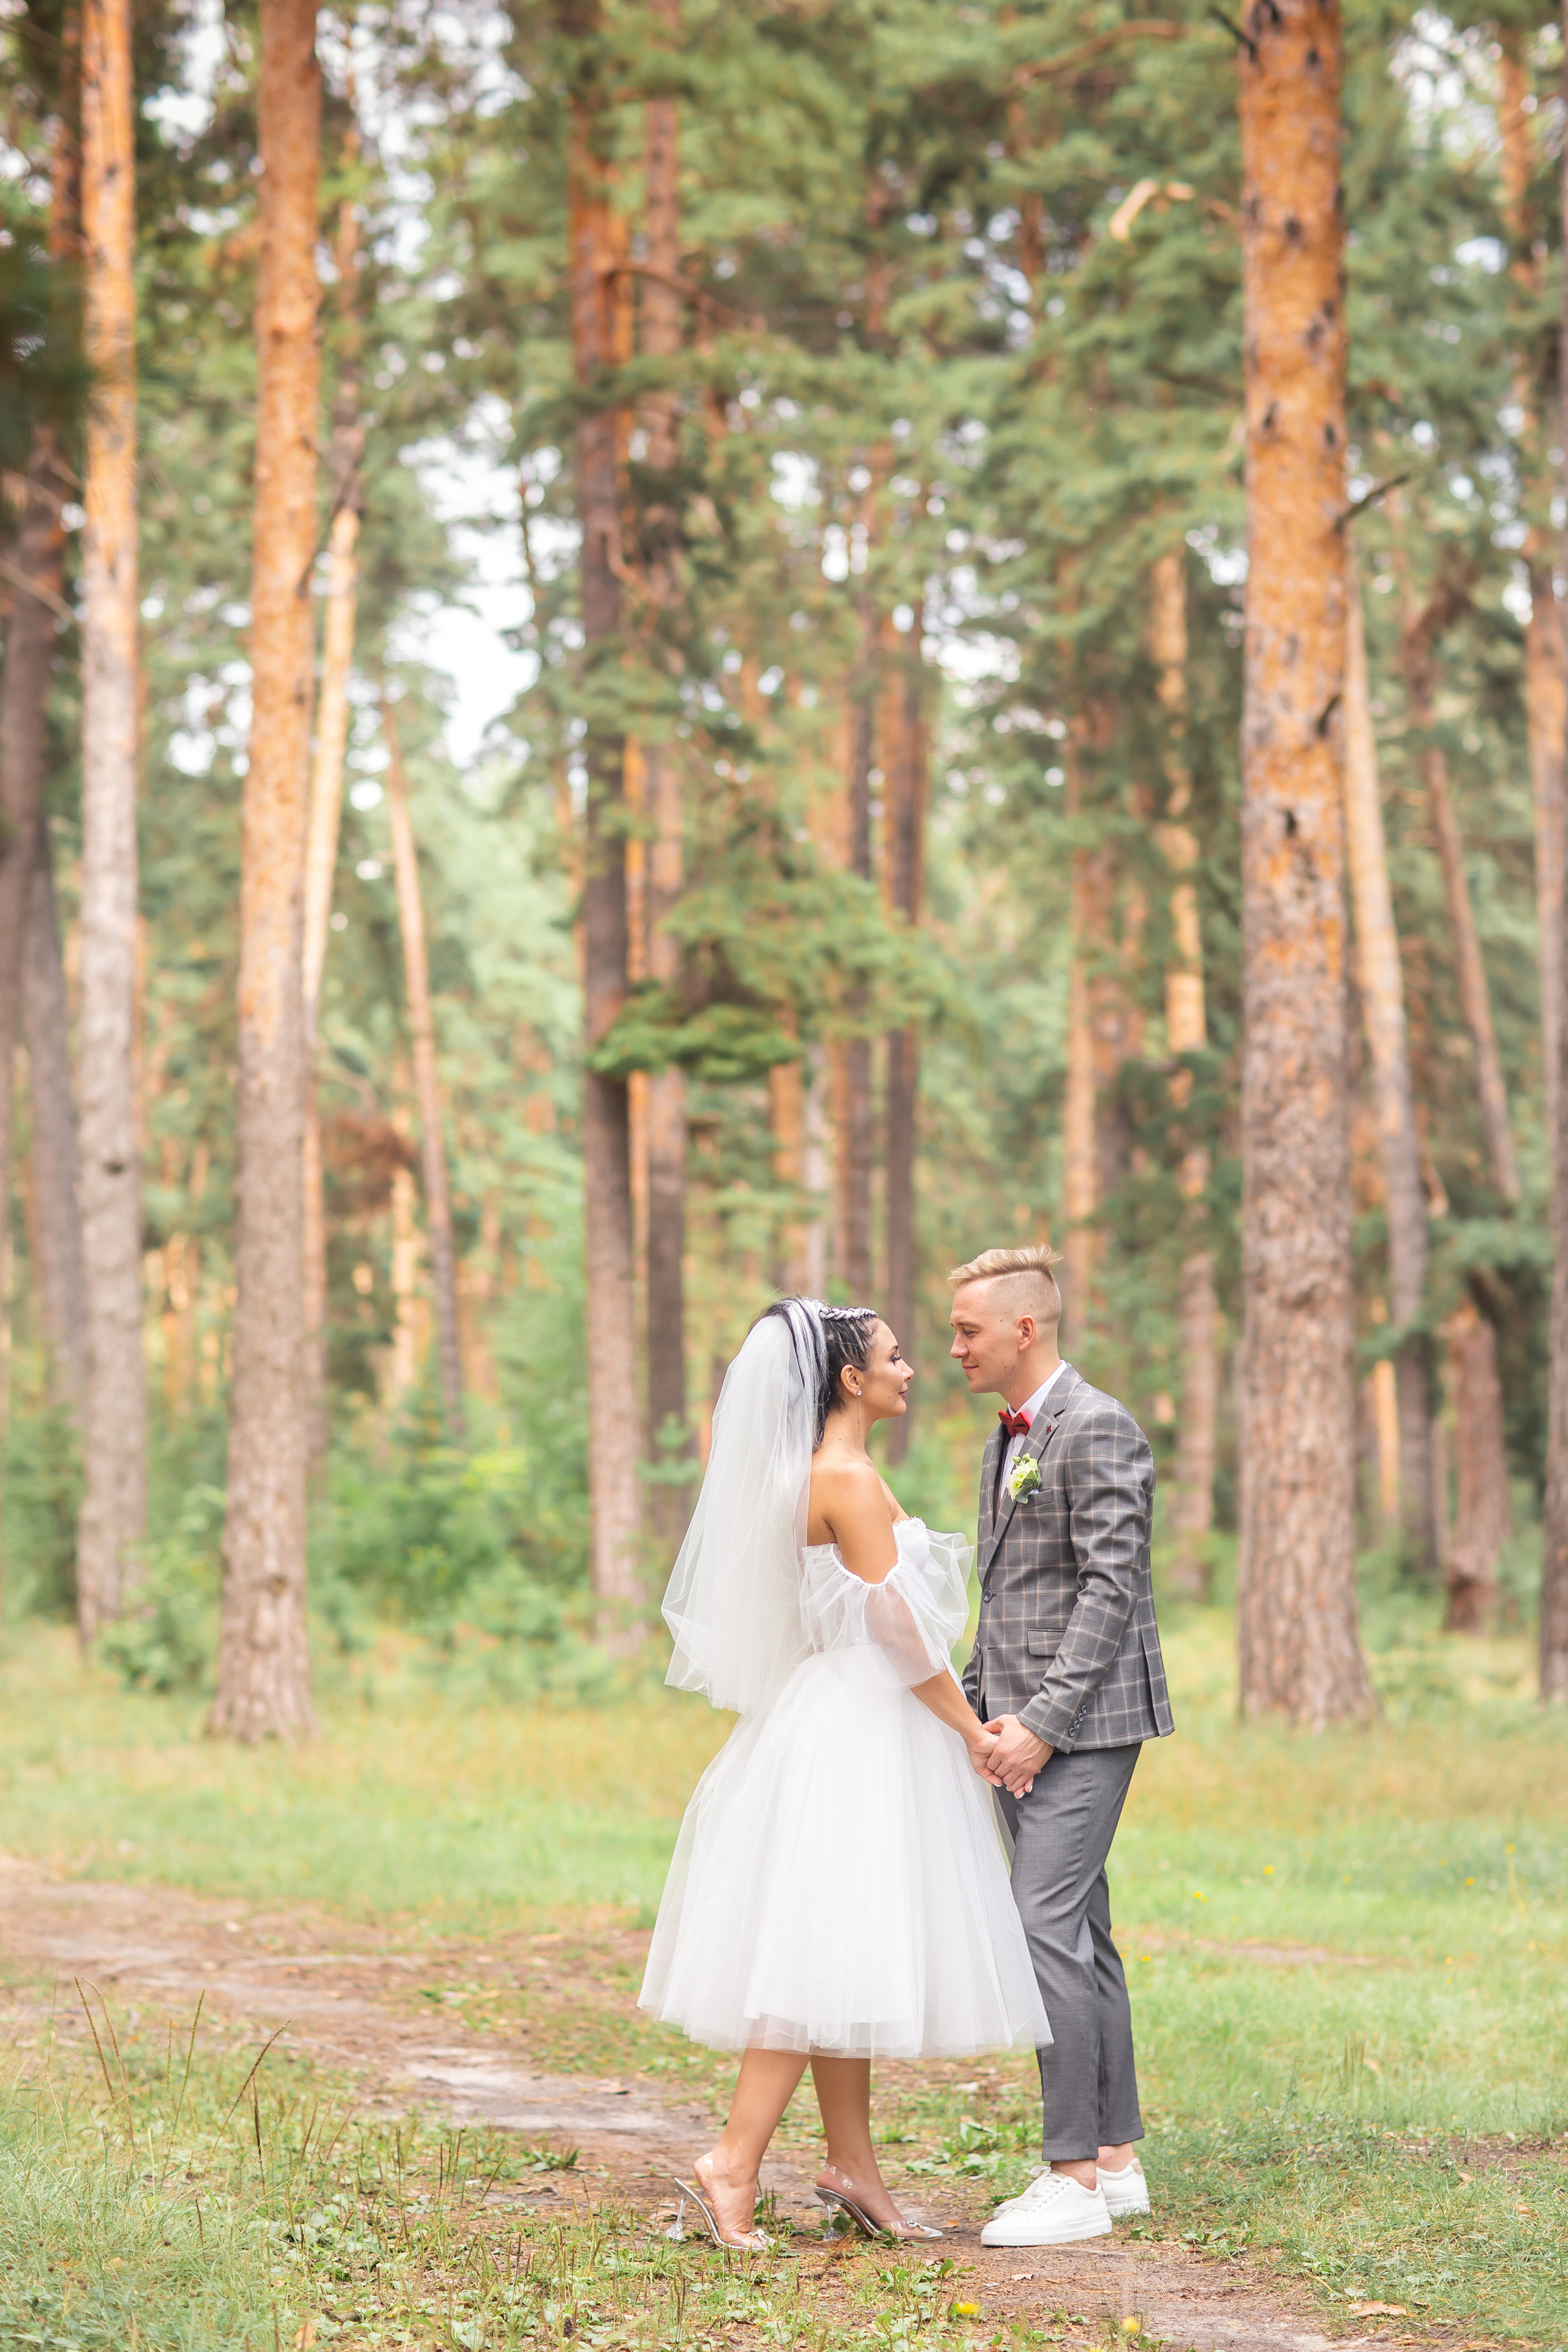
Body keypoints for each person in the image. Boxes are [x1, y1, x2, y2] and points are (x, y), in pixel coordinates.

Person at [640, 1296, 1048, 2250]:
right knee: (811, 1956)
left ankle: (853, 2167)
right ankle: (731, 2163)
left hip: (837, 1713)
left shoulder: (823, 1471)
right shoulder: (846, 1479)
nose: (912, 1369)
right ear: (850, 1380)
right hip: (862, 1726)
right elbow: (896, 1629)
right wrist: (970, 1731)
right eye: (894, 1357)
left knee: (840, 1955)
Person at [949, 1244, 1174, 2248]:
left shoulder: (1101, 1425)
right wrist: (977, 1707)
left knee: (1040, 1924)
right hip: (1017, 1721)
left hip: (1085, 1725)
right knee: (1079, 1928)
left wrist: (1040, 1725)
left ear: (1024, 1329)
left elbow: (1111, 1588)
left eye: (968, 1331)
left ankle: (1071, 2178)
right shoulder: (1006, 1438)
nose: (956, 1347)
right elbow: (1010, 1593)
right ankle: (1116, 2162)